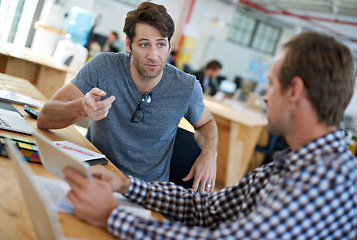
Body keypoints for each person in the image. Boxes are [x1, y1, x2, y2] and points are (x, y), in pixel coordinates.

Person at [63, 31, 357, 239]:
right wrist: (125, 185)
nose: (265, 97)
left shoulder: (326, 179)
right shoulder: (291, 166)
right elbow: (206, 208)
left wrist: (111, 215)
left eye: (270, 85)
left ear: (294, 91)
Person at [37, 2, 218, 192]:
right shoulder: (103, 66)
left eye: (161, 44)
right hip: (95, 179)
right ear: (128, 44)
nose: (154, 55)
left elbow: (206, 124)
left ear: (169, 46)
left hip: (147, 195)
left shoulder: (186, 86)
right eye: (144, 44)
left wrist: (209, 153)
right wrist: (81, 107)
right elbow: (45, 117)